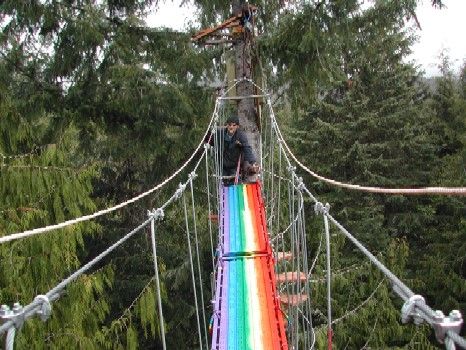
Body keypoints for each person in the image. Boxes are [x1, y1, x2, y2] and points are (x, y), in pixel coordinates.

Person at [217, 115, 259, 182]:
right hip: (223, 165)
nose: (231, 127)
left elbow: (247, 148)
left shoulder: (241, 136)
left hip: (235, 166)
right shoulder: (219, 134)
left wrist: (253, 162)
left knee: (235, 183)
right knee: (223, 185)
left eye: (234, 125)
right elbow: (210, 139)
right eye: (229, 125)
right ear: (226, 125)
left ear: (237, 126)